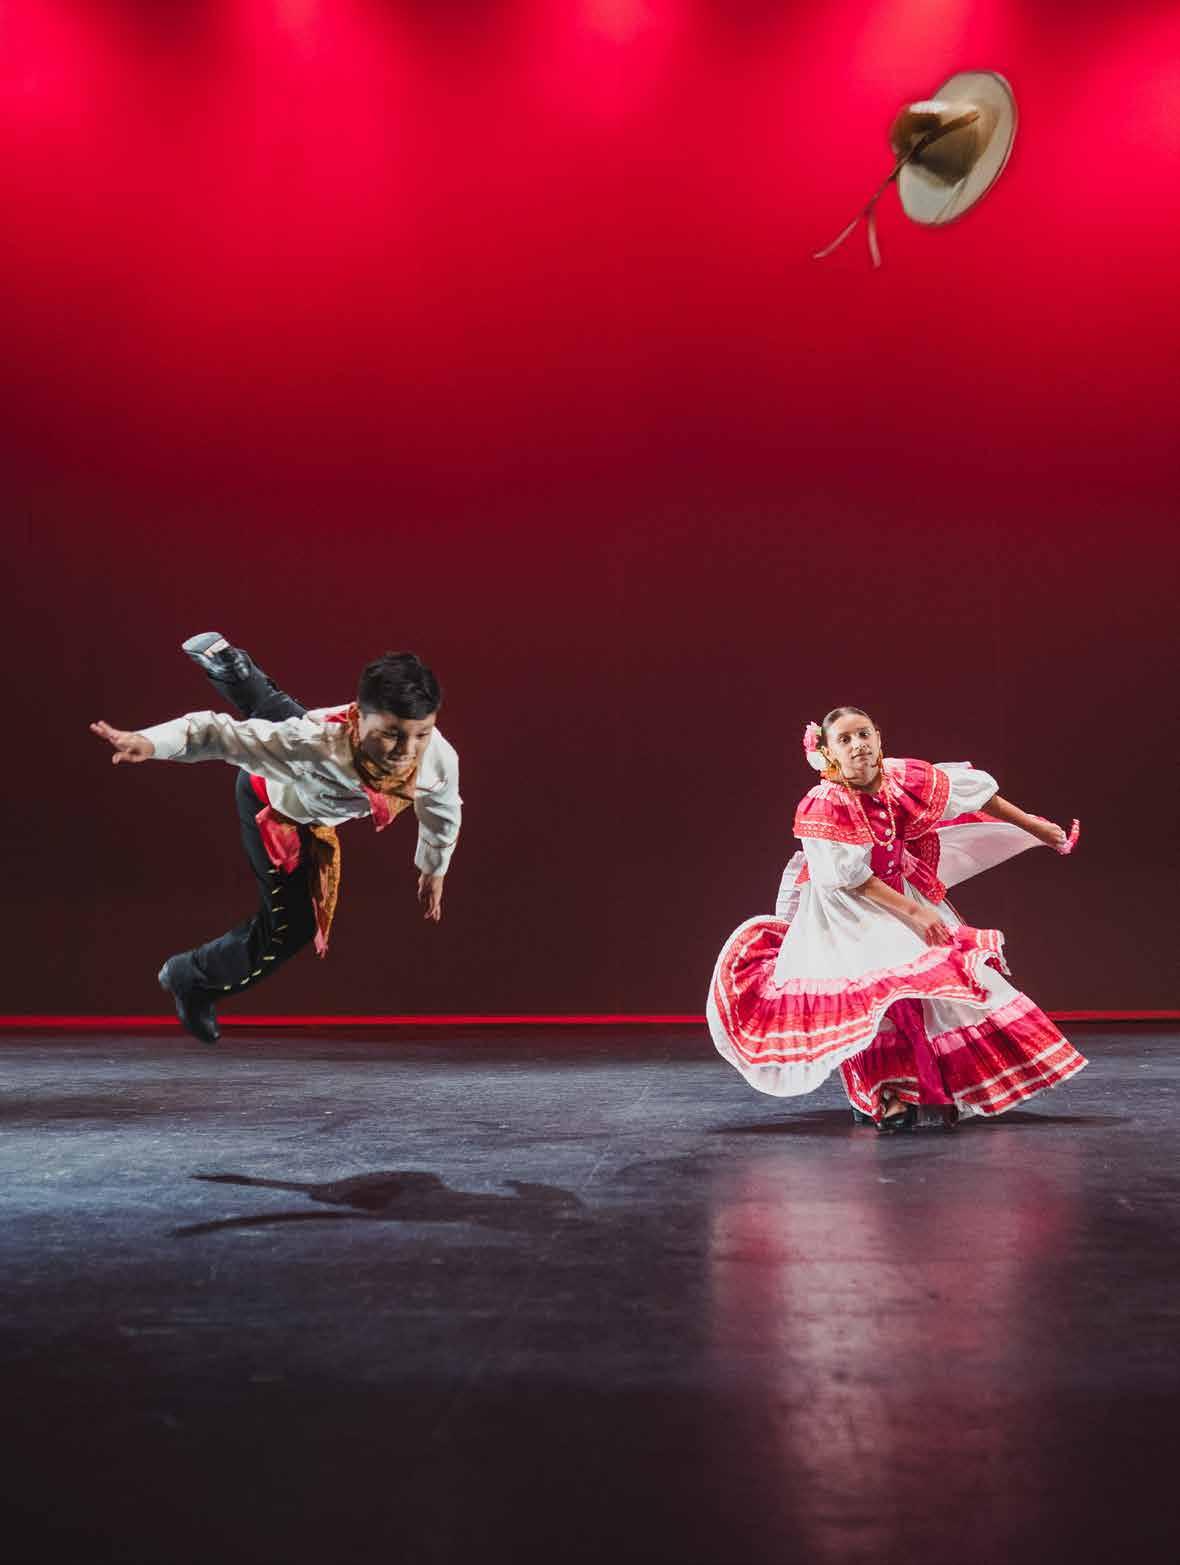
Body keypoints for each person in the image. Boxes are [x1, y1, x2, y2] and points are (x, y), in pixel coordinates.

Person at [707, 706, 1085, 1131]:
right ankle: (885, 1093)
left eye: (863, 734)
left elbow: (976, 794)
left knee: (945, 983)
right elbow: (850, 878)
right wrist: (915, 912)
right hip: (844, 911)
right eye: (845, 740)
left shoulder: (900, 777)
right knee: (875, 995)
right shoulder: (824, 804)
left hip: (896, 893)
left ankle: (938, 1086)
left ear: (878, 738)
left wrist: (1036, 827)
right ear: (829, 753)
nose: (858, 745)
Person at [90, 634, 461, 1044]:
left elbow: (442, 807)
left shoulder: (438, 758)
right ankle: (190, 976)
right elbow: (215, 735)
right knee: (291, 928)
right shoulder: (315, 746)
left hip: (304, 763)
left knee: (280, 718)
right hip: (272, 802)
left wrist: (434, 869)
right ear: (358, 718)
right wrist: (149, 742)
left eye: (422, 734)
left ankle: (233, 669)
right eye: (392, 734)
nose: (407, 751)